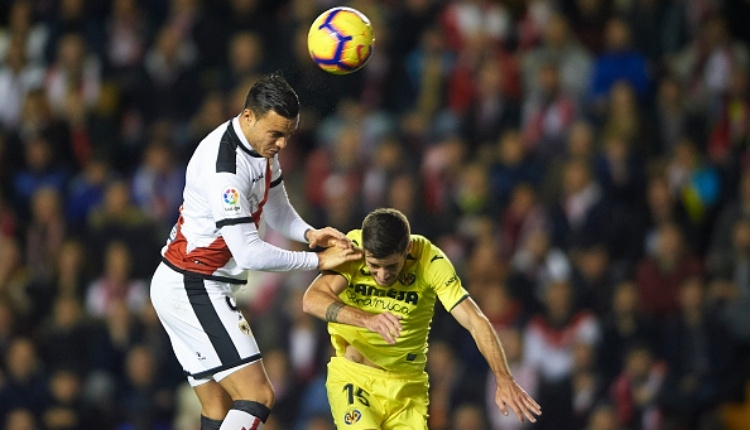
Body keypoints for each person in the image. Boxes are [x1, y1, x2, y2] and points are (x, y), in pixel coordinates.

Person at [150, 73, 362, 430]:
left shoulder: (258, 146)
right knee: (259, 395)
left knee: (218, 407)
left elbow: (275, 205)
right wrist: (318, 261)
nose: (281, 144)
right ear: (248, 116)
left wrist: (310, 233)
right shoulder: (225, 169)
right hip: (193, 287)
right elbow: (248, 253)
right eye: (276, 133)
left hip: (190, 284)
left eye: (288, 135)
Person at [302, 208, 542, 429]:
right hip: (355, 377)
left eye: (391, 266)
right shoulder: (352, 249)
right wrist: (367, 320)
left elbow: (474, 319)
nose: (382, 275)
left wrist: (503, 377)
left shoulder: (430, 261)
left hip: (407, 386)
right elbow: (312, 300)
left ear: (407, 249)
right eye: (374, 266)